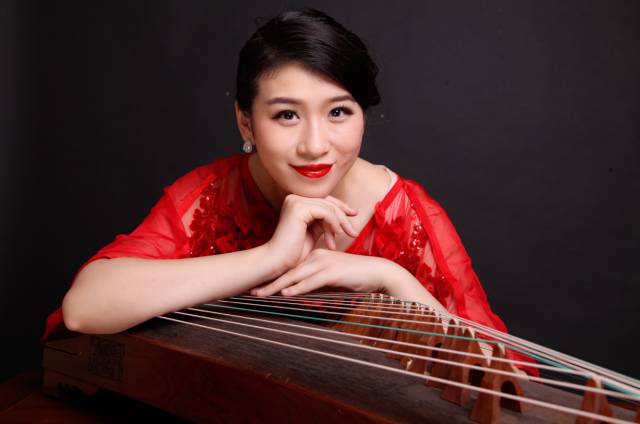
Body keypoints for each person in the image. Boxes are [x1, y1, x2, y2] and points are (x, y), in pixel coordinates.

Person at [44, 8, 534, 374]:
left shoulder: (406, 212)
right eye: (286, 115)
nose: (315, 145)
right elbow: (85, 309)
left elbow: (497, 372)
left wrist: (390, 277)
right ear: (245, 121)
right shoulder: (213, 195)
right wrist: (271, 257)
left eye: (338, 111)